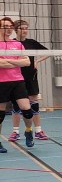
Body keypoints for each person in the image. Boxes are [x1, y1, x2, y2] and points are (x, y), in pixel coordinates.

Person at [8, 20, 49, 142]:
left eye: (26, 28)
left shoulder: (32, 42)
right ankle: (15, 132)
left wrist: (37, 61)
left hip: (31, 77)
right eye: (22, 28)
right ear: (16, 30)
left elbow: (48, 52)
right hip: (16, 77)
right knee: (16, 105)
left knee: (34, 104)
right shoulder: (11, 43)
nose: (25, 30)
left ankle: (38, 131)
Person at [0, 17, 35, 152]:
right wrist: (16, 62)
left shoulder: (17, 44)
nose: (9, 29)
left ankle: (28, 130)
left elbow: (27, 62)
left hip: (17, 81)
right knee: (0, 114)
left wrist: (7, 61)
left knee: (27, 110)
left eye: (10, 26)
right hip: (1, 82)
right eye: (5, 26)